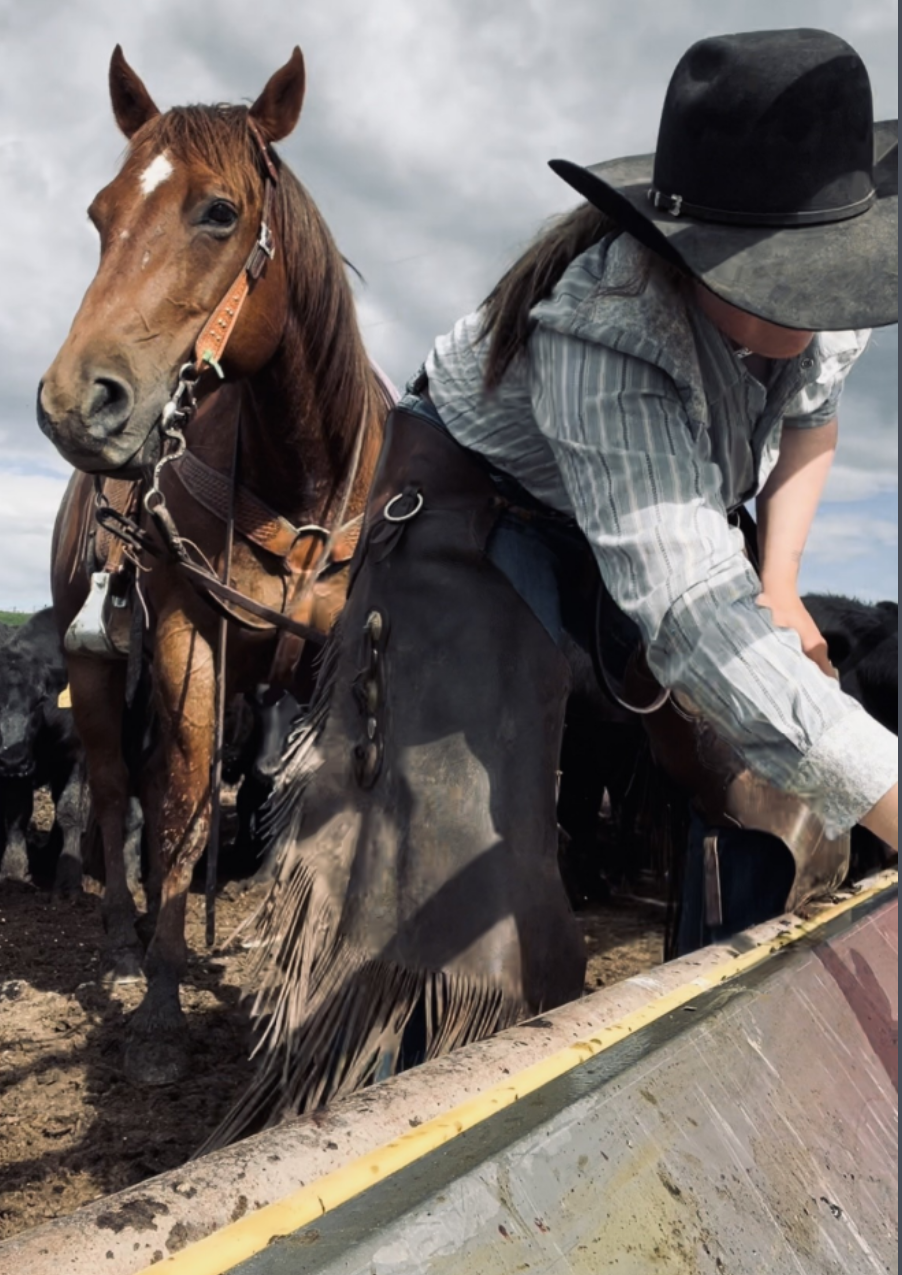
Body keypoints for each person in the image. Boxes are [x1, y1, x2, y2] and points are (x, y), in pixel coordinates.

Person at [237, 28, 898, 1122]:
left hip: (663, 509)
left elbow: (810, 420)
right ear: (688, 248)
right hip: (479, 504)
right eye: (773, 281)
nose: (807, 305)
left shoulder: (825, 275)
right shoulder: (600, 331)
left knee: (778, 784)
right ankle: (393, 1129)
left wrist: (778, 579)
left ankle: (731, 1060)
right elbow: (687, 613)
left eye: (820, 278)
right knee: (452, 863)